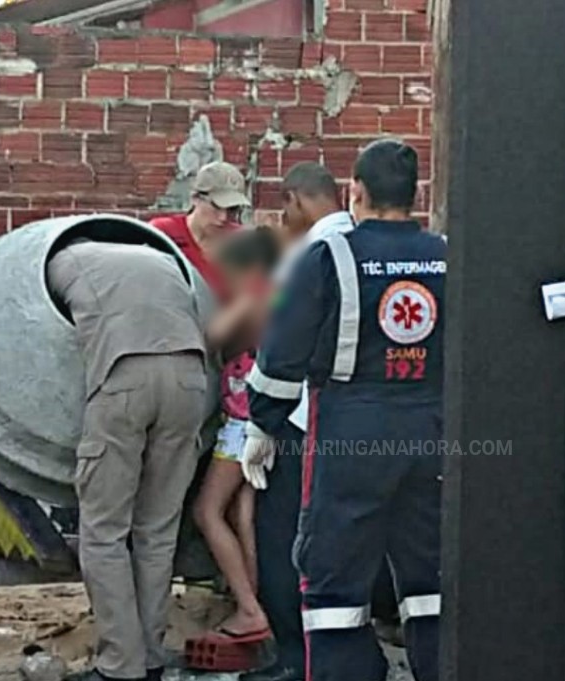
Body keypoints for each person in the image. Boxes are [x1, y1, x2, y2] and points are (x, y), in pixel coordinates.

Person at [244, 140, 445, 681]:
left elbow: (281, 348)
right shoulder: (449, 255)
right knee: (432, 580)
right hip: (435, 430)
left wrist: (262, 423)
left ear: (356, 191)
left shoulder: (327, 256)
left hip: (350, 430)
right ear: (414, 194)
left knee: (332, 581)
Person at [47, 238, 210, 681]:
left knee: (104, 533)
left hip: (125, 378)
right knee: (157, 532)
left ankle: (121, 665)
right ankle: (153, 657)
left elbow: (47, 321)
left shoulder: (59, 261)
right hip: (192, 380)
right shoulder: (159, 257)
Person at [240, 162, 354, 681]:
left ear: (298, 200)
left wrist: (261, 424)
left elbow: (278, 347)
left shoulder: (307, 257)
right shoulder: (366, 247)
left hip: (303, 423)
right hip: (366, 424)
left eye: (286, 206)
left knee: (284, 537)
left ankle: (294, 659)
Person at [192, 228, 282, 642]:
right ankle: (258, 601)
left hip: (242, 425)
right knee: (244, 515)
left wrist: (236, 301)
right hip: (266, 421)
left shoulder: (256, 298)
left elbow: (212, 335)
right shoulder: (285, 294)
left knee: (207, 512)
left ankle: (248, 608)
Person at [150, 161, 251, 300]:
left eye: (232, 209)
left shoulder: (244, 242)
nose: (223, 217)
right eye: (216, 206)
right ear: (195, 198)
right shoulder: (163, 233)